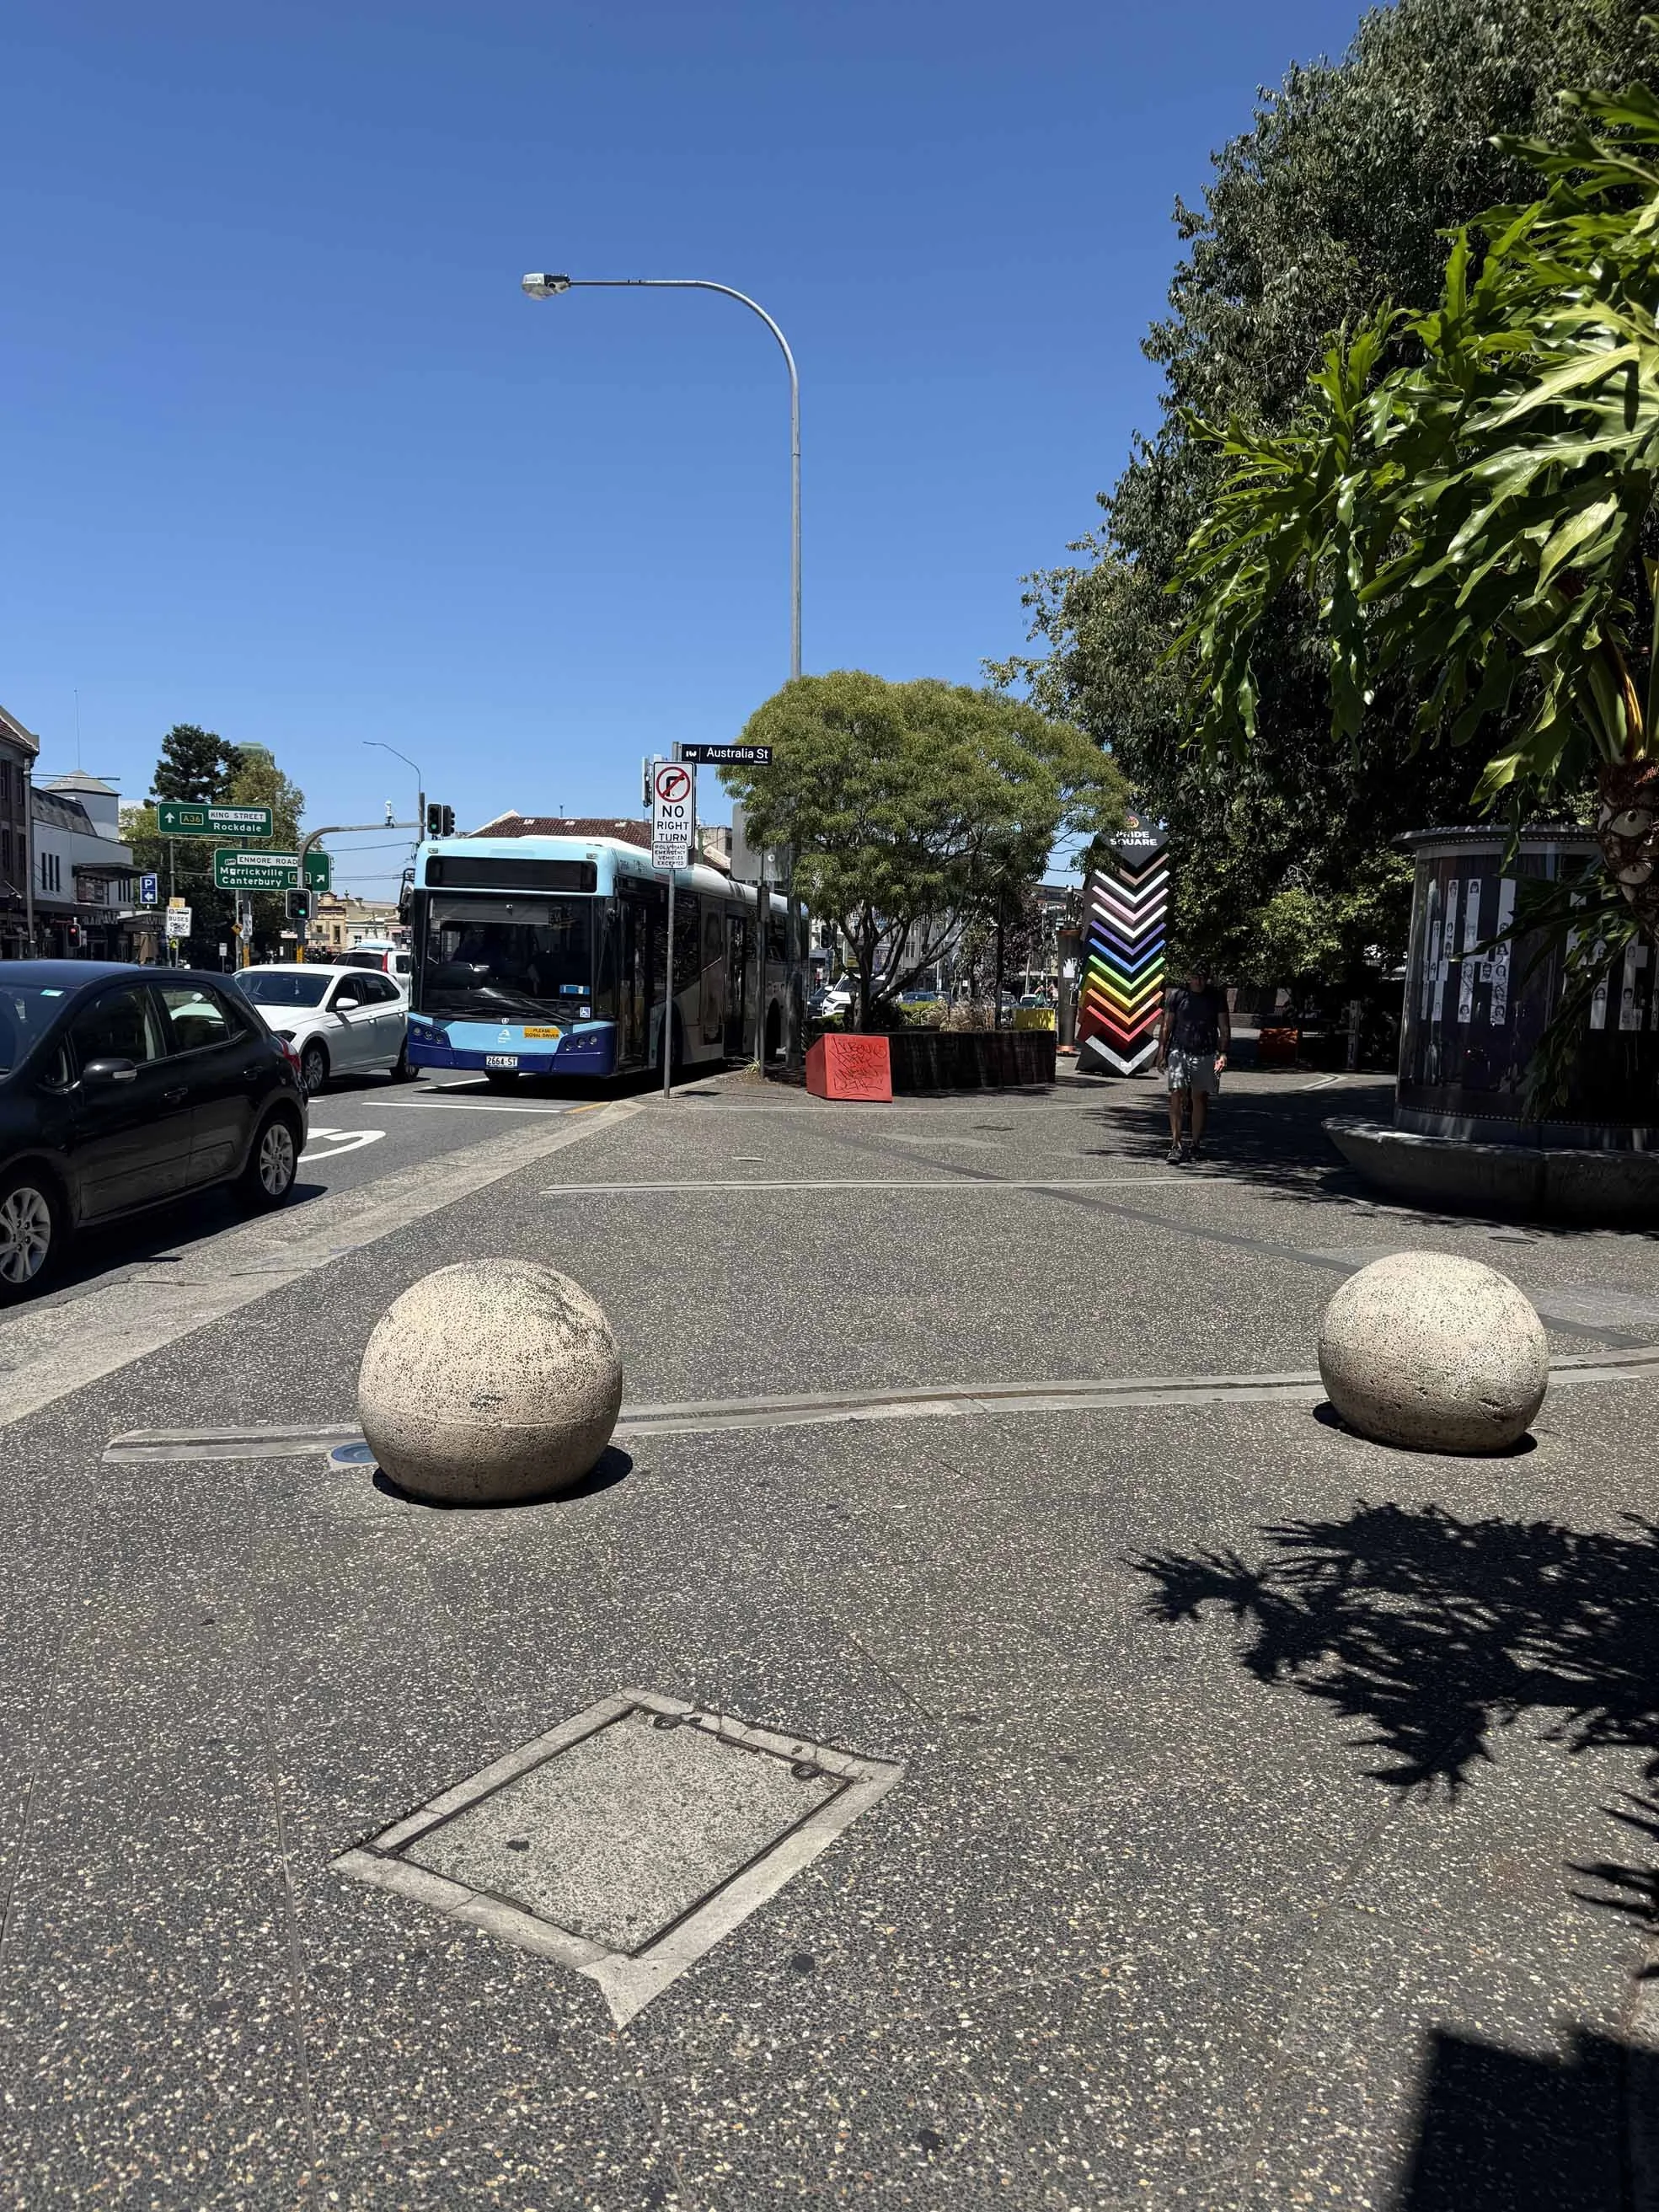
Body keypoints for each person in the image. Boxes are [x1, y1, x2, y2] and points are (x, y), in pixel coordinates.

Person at [1157, 963, 1229, 1164]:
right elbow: (1166, 1026)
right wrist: (1161, 1052)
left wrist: (1223, 1053)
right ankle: (1175, 1144)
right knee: (1176, 1094)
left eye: (1202, 977)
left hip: (1206, 1053)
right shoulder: (1178, 996)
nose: (1198, 981)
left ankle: (1195, 1143)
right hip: (1179, 1050)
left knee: (1199, 1097)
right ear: (1188, 977)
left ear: (1207, 978)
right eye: (1195, 977)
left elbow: (1224, 1027)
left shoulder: (1216, 997)